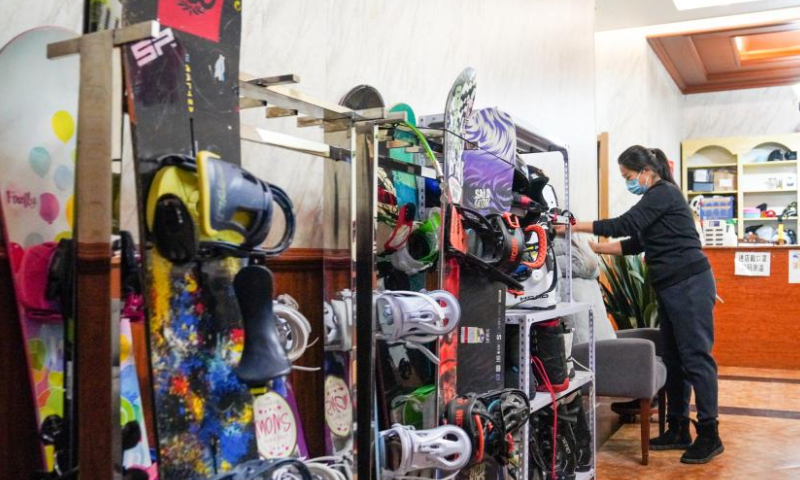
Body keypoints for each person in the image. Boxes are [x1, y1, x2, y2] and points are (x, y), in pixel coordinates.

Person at [571, 145, 723, 464]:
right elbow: (634, 243)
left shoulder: (663, 193)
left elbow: (624, 225)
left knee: (696, 358)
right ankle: (678, 428)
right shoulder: (654, 202)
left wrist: (574, 226)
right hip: (671, 289)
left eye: (628, 176)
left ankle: (710, 435)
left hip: (690, 285)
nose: (629, 182)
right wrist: (593, 249)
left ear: (645, 171)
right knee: (675, 358)